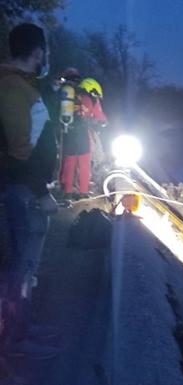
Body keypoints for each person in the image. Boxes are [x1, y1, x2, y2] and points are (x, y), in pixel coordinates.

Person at [0, 23, 59, 360]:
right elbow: (21, 152)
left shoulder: (23, 85)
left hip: (28, 190)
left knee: (27, 267)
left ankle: (23, 328)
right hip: (24, 193)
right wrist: (41, 194)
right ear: (37, 51)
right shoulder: (12, 88)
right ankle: (14, 342)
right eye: (44, 50)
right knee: (21, 268)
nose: (45, 56)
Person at [59, 77, 107, 198]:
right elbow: (102, 119)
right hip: (83, 134)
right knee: (84, 163)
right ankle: (83, 192)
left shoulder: (70, 97)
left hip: (68, 132)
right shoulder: (92, 99)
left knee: (70, 162)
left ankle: (68, 192)